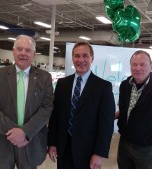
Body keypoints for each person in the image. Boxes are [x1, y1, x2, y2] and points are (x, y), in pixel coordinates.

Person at [0, 35, 54, 169]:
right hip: (2, 140)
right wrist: (13, 132)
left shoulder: (44, 78)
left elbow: (47, 108)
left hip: (30, 141)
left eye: (28, 50)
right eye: (19, 49)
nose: (23, 53)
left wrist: (25, 132)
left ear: (34, 54)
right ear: (13, 51)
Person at [47, 41, 116, 169]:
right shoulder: (62, 84)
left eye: (85, 56)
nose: (81, 60)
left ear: (92, 58)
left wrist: (99, 153)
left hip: (89, 152)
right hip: (64, 148)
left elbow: (106, 124)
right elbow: (55, 117)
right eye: (77, 56)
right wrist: (52, 143)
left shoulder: (103, 87)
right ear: (72, 58)